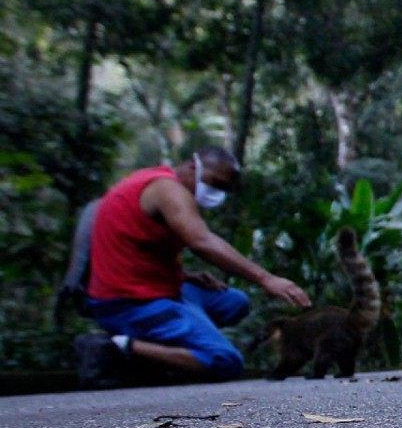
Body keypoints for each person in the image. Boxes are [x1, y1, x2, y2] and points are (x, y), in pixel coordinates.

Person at [75, 147, 311, 388]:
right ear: (192, 167)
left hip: (158, 289)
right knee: (225, 360)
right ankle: (117, 346)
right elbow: (201, 242)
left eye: (224, 189)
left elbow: (133, 250)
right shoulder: (167, 189)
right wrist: (265, 278)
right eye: (214, 183)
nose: (217, 193)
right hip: (129, 302)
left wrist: (185, 276)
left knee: (234, 302)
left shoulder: (157, 183)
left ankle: (166, 353)